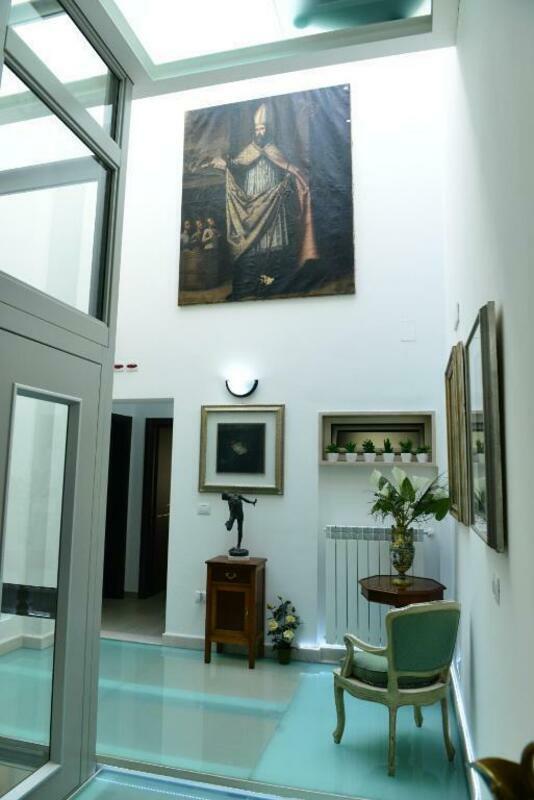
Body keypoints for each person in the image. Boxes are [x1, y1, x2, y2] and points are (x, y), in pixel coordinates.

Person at [211, 103, 318, 297]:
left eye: (262, 128)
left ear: (268, 130)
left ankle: (272, 280)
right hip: (253, 200)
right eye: (257, 129)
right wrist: (225, 164)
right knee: (253, 240)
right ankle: (253, 281)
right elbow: (236, 165)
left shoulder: (273, 149)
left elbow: (289, 168)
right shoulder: (250, 149)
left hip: (273, 200)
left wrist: (288, 178)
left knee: (274, 237)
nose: (260, 132)